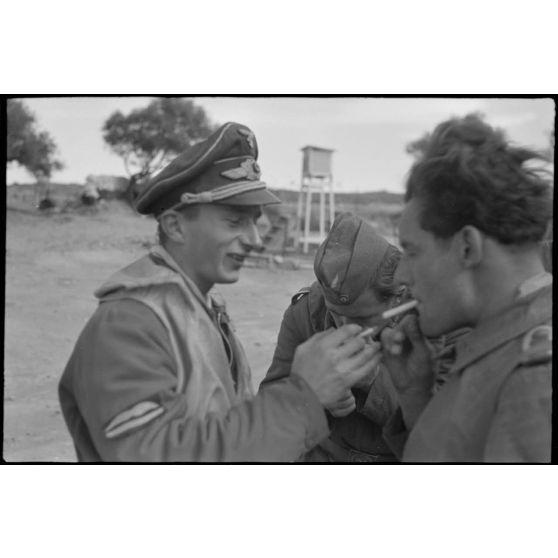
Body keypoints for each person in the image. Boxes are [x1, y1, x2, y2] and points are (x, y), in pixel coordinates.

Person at [58, 122, 381, 462]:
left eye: (255, 221)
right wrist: (301, 399)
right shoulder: (128, 323)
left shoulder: (195, 305)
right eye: (234, 221)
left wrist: (319, 401)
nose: (255, 239)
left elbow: (218, 426)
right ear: (175, 225)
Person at [380, 113, 553, 463]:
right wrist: (416, 397)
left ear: (467, 248)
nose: (400, 275)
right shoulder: (505, 346)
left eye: (412, 251)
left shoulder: (535, 380)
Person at [262, 213, 403, 462]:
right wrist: (313, 397)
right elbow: (270, 407)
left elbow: (440, 424)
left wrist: (373, 383)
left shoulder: (426, 318)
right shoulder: (304, 312)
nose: (345, 327)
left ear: (395, 297)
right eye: (336, 314)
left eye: (362, 318)